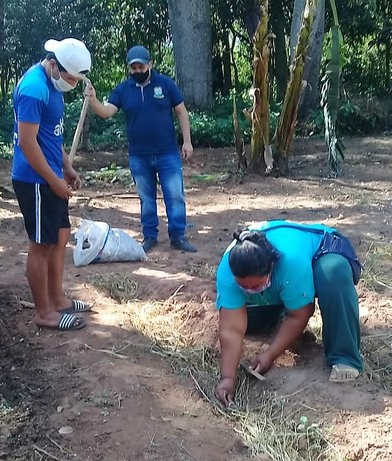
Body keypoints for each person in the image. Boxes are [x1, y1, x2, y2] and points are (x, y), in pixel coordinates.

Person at [214, 220, 363, 406]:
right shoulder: (227, 273)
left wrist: (270, 354)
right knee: (248, 323)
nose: (251, 290)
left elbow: (301, 314)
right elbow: (231, 329)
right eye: (244, 286)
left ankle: (344, 356)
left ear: (271, 270)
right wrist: (228, 378)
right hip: (282, 279)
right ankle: (279, 308)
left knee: (332, 273)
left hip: (323, 251)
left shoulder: (290, 262)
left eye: (256, 285)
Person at [12, 37, 93, 331]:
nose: (73, 83)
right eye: (71, 77)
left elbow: (49, 136)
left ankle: (58, 300)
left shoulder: (54, 85)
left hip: (50, 175)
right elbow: (28, 143)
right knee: (41, 245)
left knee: (60, 236)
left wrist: (66, 166)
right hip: (34, 179)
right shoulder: (34, 89)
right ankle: (44, 312)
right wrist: (53, 180)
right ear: (55, 66)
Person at [86, 45, 196, 253]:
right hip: (139, 155)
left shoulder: (165, 84)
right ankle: (150, 236)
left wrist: (187, 141)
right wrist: (93, 100)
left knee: (175, 195)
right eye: (133, 68)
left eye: (141, 66)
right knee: (146, 199)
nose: (137, 71)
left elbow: (182, 112)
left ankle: (178, 236)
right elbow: (107, 111)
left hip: (167, 153)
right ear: (129, 69)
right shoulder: (123, 89)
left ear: (150, 64)